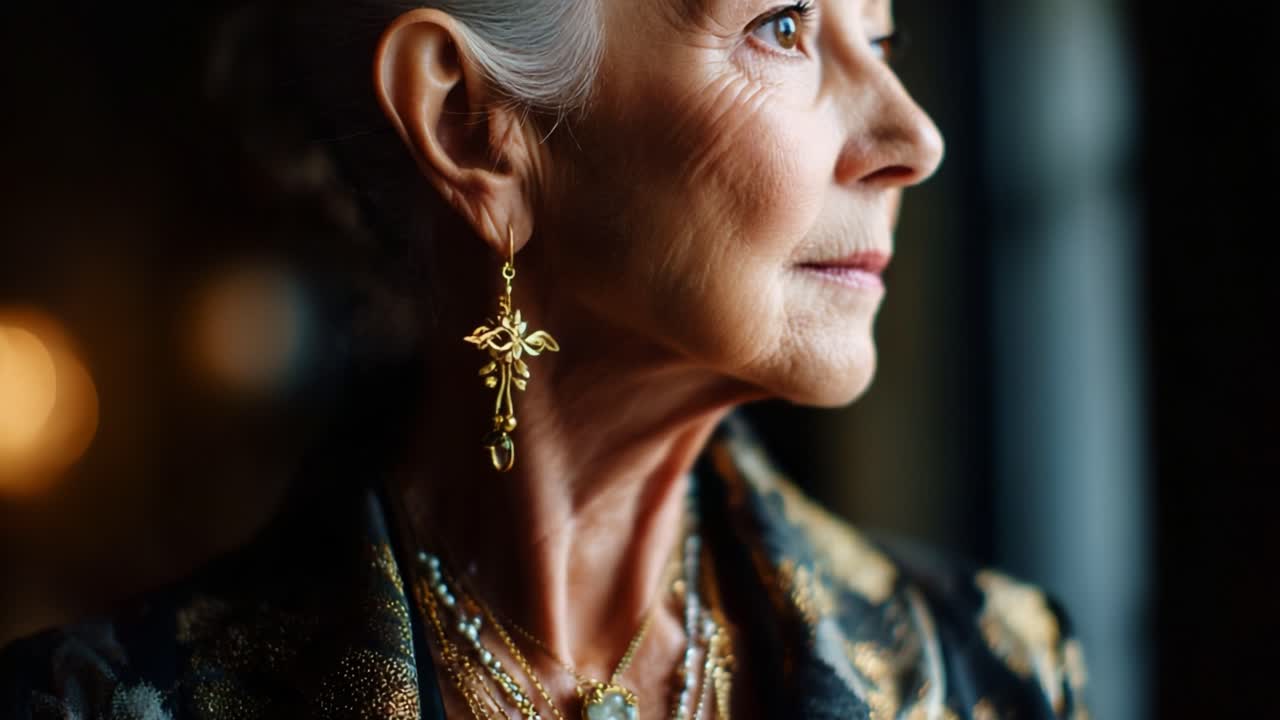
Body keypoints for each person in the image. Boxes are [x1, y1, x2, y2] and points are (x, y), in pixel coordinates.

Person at [0, 0, 1088, 718]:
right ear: (471, 123)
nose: (914, 137)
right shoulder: (101, 702)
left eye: (882, 37)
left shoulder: (993, 671)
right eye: (783, 24)